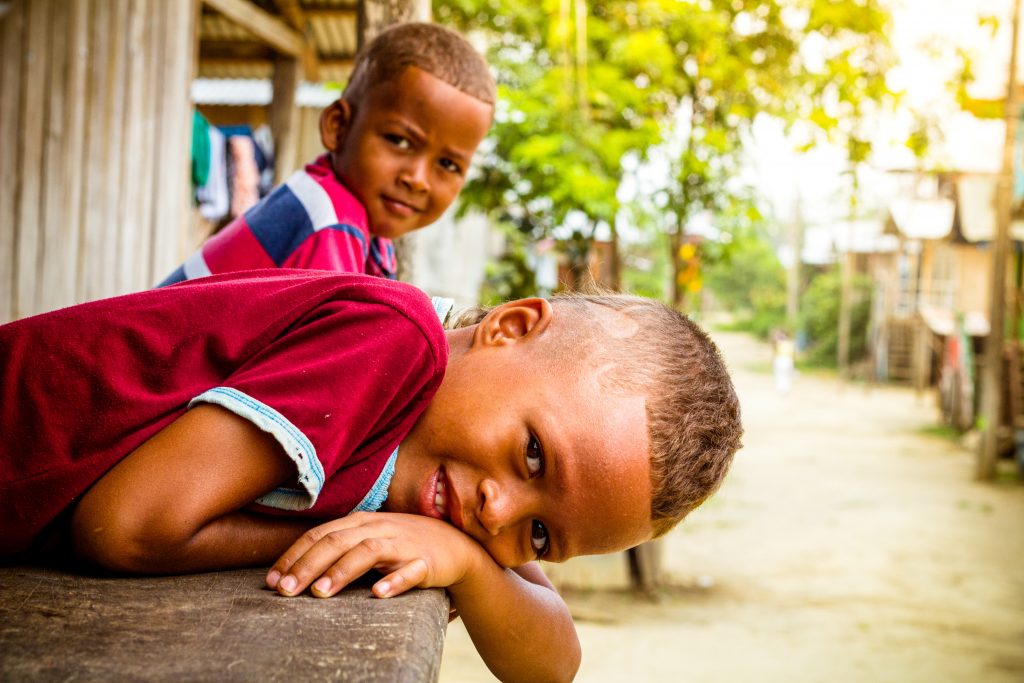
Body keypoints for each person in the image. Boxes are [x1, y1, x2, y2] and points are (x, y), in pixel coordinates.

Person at [0, 270, 742, 683]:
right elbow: (126, 526)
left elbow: (554, 665)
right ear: (508, 328)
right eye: (535, 455)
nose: (498, 509)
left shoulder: (455, 470)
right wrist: (336, 533)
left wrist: (470, 568)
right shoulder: (394, 342)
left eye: (541, 534)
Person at [158, 22, 495, 286]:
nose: (417, 179)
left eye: (448, 164)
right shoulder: (329, 221)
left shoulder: (360, 230)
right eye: (399, 140)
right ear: (338, 127)